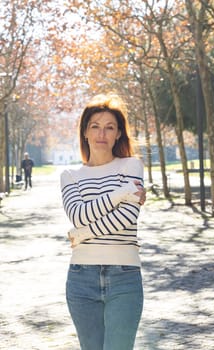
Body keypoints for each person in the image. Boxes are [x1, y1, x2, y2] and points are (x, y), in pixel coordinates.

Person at [60, 92, 146, 350]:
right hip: (81, 279)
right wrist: (121, 193)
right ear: (85, 132)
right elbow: (77, 215)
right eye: (95, 126)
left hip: (125, 277)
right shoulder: (70, 175)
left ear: (119, 133)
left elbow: (127, 217)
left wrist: (82, 235)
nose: (102, 134)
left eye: (110, 127)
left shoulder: (131, 165)